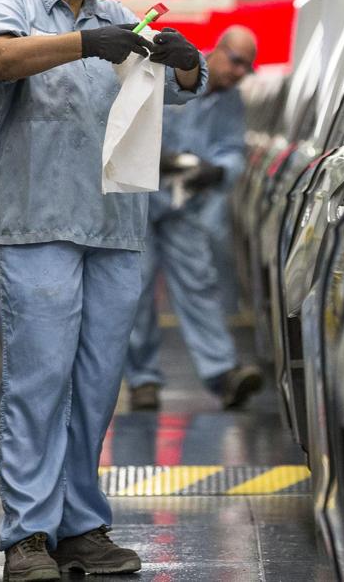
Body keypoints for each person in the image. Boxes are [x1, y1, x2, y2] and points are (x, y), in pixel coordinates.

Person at [0, 0, 207, 579]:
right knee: (39, 382)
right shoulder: (13, 4)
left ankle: (80, 527)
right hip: (34, 220)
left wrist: (186, 63)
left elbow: (176, 88)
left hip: (111, 226)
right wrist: (80, 43)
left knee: (99, 382)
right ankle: (28, 537)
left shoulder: (122, 16)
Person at [125, 27, 263, 412]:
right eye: (235, 61)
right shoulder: (175, 74)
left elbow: (233, 147)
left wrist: (218, 171)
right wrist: (161, 157)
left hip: (184, 207)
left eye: (246, 67)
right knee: (137, 290)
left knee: (199, 283)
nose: (238, 73)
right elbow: (130, 124)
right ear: (217, 51)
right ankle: (143, 380)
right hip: (139, 201)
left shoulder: (231, 101)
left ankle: (223, 374)